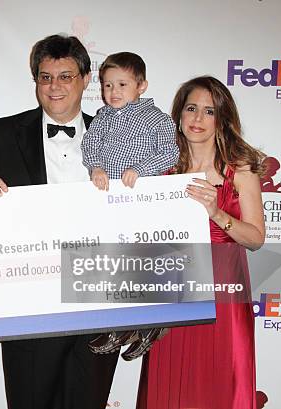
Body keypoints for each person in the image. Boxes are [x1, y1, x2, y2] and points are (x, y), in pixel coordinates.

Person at [0, 34, 119, 409]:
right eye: (45, 77)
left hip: (99, 295)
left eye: (65, 76)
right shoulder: (2, 133)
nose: (54, 86)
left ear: (85, 78)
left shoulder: (117, 136)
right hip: (28, 296)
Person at [136, 76, 265, 409]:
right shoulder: (161, 170)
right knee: (169, 387)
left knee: (222, 384)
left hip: (224, 295)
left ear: (221, 119)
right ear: (179, 114)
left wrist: (216, 212)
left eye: (209, 111)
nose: (197, 119)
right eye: (191, 108)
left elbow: (255, 238)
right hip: (175, 292)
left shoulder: (240, 170)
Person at [81, 52, 178, 360]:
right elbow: (89, 145)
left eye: (122, 84)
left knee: (141, 266)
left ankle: (150, 325)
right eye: (108, 85)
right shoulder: (101, 118)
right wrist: (95, 167)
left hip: (144, 203)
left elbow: (170, 152)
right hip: (111, 204)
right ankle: (119, 326)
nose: (114, 92)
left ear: (141, 86)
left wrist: (142, 169)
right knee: (113, 265)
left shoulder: (156, 119)